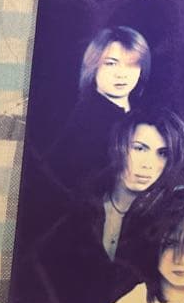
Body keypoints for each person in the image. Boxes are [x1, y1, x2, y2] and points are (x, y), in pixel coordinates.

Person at [30, 106, 184, 303]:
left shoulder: (171, 222)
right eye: (140, 148)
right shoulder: (78, 209)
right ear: (119, 147)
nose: (148, 164)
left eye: (162, 153)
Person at [48, 26, 153, 194]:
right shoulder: (85, 119)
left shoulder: (140, 112)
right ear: (93, 66)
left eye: (132, 64)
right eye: (111, 63)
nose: (122, 74)